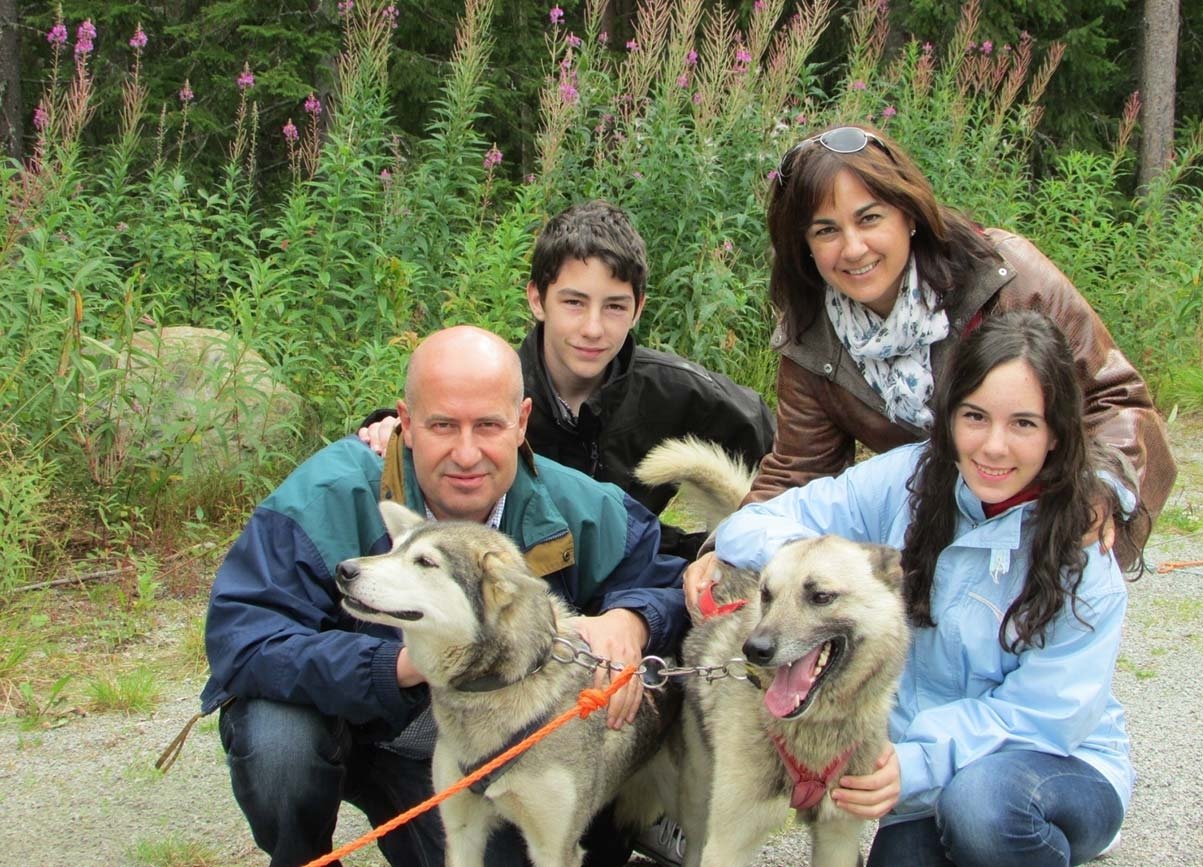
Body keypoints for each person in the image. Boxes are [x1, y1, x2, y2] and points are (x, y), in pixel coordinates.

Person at [201, 326, 688, 867]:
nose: (466, 453)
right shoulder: (325, 497)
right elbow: (244, 636)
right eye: (442, 425)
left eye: (487, 425)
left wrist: (633, 619)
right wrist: (395, 666)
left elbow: (665, 577)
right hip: (332, 714)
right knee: (277, 746)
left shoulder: (577, 505)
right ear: (405, 424)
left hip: (453, 737)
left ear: (521, 422)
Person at [706, 310, 1133, 866]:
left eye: (1024, 423)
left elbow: (1048, 715)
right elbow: (752, 524)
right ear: (949, 417)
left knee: (983, 811)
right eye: (975, 416)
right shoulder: (905, 480)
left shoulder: (1084, 548)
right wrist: (828, 569)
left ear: (1057, 433)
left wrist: (919, 762)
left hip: (1053, 767)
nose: (995, 447)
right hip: (921, 781)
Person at [748, 123, 1175, 568]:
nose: (853, 248)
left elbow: (1115, 397)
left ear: (909, 214)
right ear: (804, 246)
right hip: (939, 517)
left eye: (869, 218)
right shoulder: (812, 336)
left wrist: (1100, 487)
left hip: (1052, 508)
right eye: (826, 230)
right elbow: (799, 473)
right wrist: (729, 550)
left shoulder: (1002, 276)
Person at [361, 200, 774, 561]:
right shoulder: (499, 392)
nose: (593, 329)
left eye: (614, 307)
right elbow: (434, 420)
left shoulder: (675, 390)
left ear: (638, 309)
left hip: (628, 575)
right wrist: (383, 425)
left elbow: (785, 454)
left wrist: (713, 550)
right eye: (574, 303)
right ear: (538, 300)